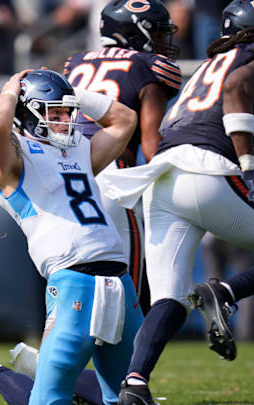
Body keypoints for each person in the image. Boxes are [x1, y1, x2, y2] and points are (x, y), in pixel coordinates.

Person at [98, 1, 254, 403]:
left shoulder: (209, 64)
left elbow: (205, 129)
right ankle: (226, 293)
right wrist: (252, 164)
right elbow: (237, 93)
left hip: (164, 177)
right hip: (206, 174)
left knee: (169, 297)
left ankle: (134, 384)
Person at [0, 69, 141, 405]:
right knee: (50, 400)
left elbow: (125, 119)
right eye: (54, 113)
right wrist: (12, 90)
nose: (65, 120)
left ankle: (23, 366)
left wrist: (72, 93)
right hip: (73, 281)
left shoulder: (78, 150)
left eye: (67, 112)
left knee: (128, 396)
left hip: (121, 282)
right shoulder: (12, 158)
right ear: (26, 111)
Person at [63, 0, 182, 314]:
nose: (162, 42)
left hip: (64, 176)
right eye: (156, 33)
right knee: (128, 293)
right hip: (112, 177)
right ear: (136, 31)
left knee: (76, 286)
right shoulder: (147, 65)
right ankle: (131, 364)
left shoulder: (74, 62)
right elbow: (152, 145)